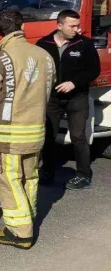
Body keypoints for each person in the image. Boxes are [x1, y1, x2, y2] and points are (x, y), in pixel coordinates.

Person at [0, 10, 55, 249]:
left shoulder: (0, 59)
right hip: (36, 131)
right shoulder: (45, 55)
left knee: (9, 181)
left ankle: (20, 233)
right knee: (30, 178)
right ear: (22, 26)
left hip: (7, 136)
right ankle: (28, 218)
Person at [35, 10, 101, 190]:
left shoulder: (84, 44)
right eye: (72, 26)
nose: (77, 29)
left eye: (77, 25)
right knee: (48, 136)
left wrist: (74, 83)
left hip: (77, 97)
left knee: (78, 136)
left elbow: (94, 70)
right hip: (53, 99)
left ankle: (83, 175)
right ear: (59, 25)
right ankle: (47, 171)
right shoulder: (43, 44)